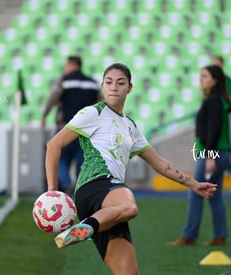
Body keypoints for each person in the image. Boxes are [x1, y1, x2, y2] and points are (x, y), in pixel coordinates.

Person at [45, 63, 217, 274]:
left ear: (130, 88)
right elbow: (54, 145)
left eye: (120, 82)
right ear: (103, 87)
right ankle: (86, 228)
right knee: (130, 207)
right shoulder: (93, 113)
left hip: (109, 208)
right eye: (108, 82)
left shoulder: (131, 126)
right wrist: (53, 192)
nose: (114, 87)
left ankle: (88, 227)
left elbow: (160, 163)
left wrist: (193, 184)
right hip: (95, 187)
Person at [166, 64, 231, 246]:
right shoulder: (218, 100)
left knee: (196, 191)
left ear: (215, 80)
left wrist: (210, 157)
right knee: (215, 195)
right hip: (221, 153)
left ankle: (189, 236)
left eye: (205, 76)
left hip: (214, 155)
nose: (201, 79)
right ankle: (220, 235)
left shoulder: (213, 101)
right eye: (201, 75)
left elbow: (214, 130)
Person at [41, 56, 102, 194]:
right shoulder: (92, 83)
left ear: (70, 65)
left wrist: (44, 115)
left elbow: (53, 97)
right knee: (82, 161)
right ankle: (80, 188)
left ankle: (66, 183)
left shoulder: (64, 80)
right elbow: (101, 103)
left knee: (59, 157)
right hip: (86, 131)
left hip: (66, 128)